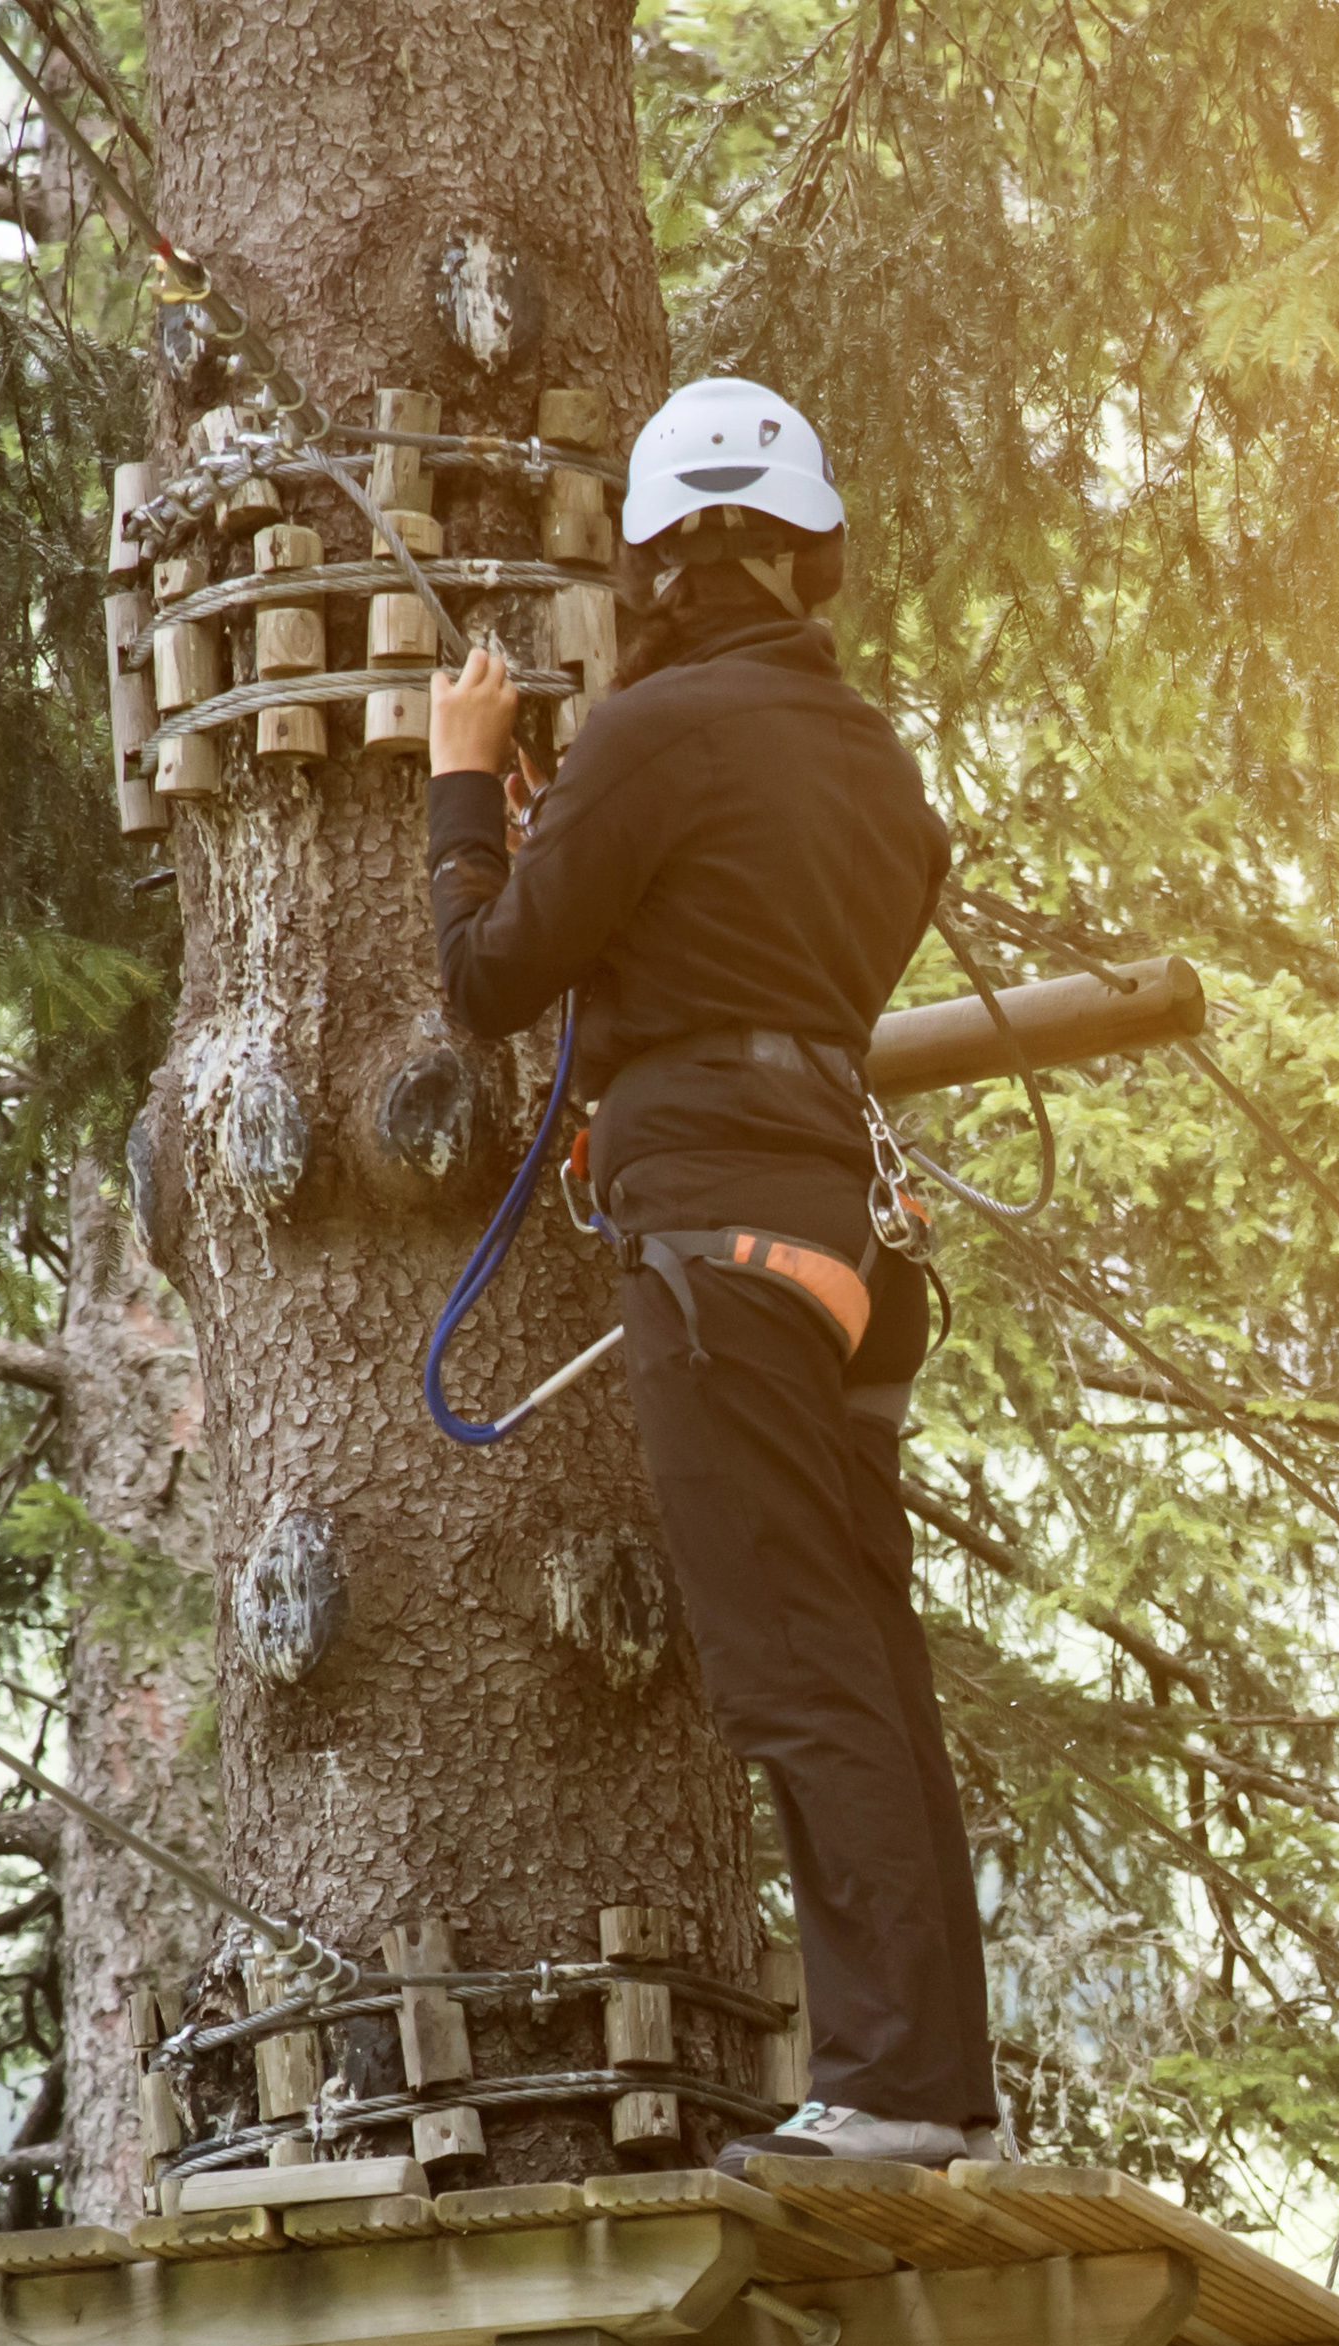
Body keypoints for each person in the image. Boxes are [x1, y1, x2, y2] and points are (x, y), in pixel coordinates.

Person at [424, 377, 995, 2171]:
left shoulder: (656, 732)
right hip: (835, 1239)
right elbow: (763, 924)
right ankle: (944, 2083)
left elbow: (494, 980)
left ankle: (897, 2092)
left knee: (799, 1672)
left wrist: (467, 789)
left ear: (660, 560)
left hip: (717, 1242)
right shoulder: (875, 764)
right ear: (801, 555)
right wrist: (599, 820)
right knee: (870, 1672)